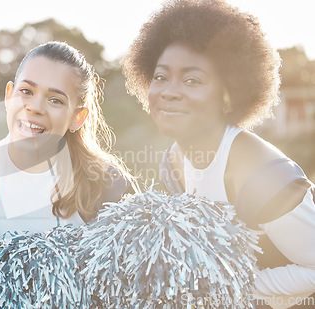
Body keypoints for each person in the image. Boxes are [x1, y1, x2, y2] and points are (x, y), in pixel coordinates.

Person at [122, 0, 315, 308]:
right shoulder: (172, 164)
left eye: (192, 80)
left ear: (229, 96)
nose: (169, 91)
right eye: (160, 76)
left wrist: (225, 288)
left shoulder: (263, 172)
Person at [0, 41, 132, 248]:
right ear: (9, 95)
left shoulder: (109, 184)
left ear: (77, 117)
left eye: (55, 100)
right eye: (27, 91)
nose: (35, 108)